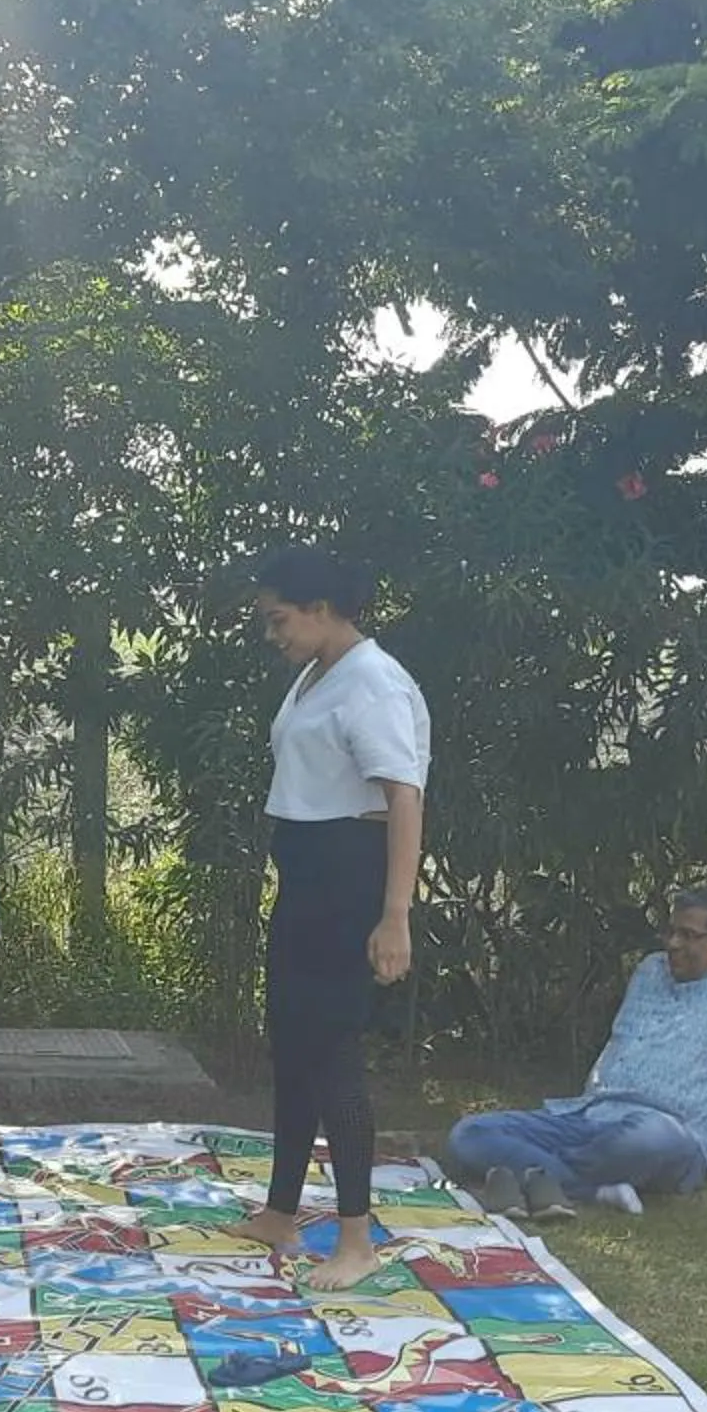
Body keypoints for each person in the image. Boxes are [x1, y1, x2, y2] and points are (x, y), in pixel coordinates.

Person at [222, 544, 428, 1292]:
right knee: (295, 1041)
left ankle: (354, 1236)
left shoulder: (371, 681)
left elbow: (402, 797)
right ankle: (282, 1209)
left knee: (335, 1053)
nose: (272, 634)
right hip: (307, 878)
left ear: (321, 610)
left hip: (350, 878)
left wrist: (394, 915)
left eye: (279, 620)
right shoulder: (316, 674)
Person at [445, 888, 707, 1219]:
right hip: (588, 1116)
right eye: (671, 932)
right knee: (470, 1134)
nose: (672, 944)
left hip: (675, 1134)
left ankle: (533, 1170)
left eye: (688, 935)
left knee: (645, 1140)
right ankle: (595, 1189)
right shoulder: (650, 971)